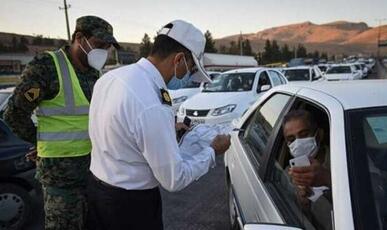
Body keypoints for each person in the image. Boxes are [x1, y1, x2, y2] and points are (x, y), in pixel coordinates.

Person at [87, 20, 231, 230]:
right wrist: (212, 151)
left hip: (98, 192)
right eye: (191, 69)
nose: (188, 77)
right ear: (179, 59)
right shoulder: (152, 103)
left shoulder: (111, 78)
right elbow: (174, 179)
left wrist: (165, 129)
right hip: (131, 208)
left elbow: (119, 128)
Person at [4, 15, 119, 230]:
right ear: (79, 38)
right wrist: (39, 141)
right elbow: (14, 114)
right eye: (99, 45)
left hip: (94, 174)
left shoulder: (95, 73)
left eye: (107, 47)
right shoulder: (47, 67)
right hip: (61, 180)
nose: (104, 51)